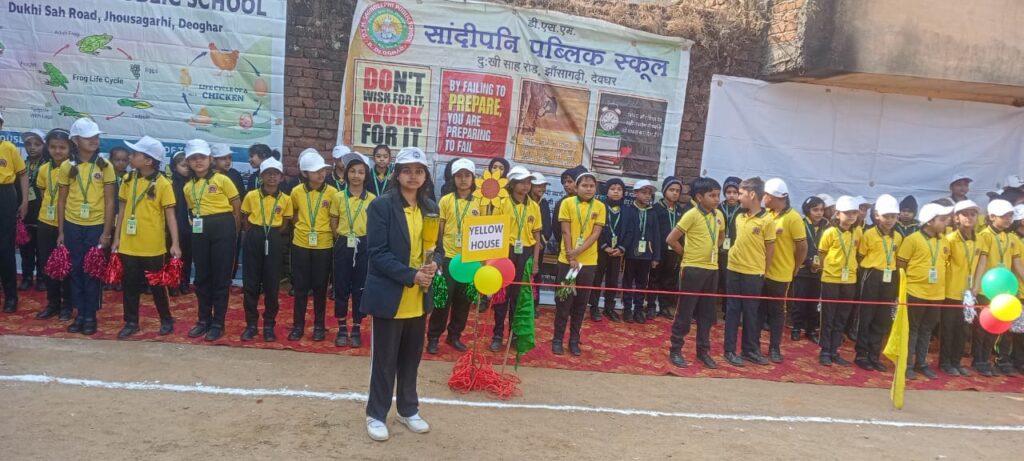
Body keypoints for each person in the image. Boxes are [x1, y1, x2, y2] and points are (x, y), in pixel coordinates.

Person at [363, 146, 438, 442]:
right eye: (407, 171)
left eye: (419, 171)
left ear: (425, 176)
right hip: (390, 297)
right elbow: (377, 253)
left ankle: (408, 410)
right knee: (384, 362)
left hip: (419, 299)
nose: (413, 176)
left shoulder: (430, 207)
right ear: (397, 174)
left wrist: (434, 264)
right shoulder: (381, 206)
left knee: (410, 360)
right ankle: (376, 414)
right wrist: (411, 275)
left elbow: (437, 248)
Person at [111, 136, 180, 338]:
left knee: (157, 284)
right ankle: (131, 321)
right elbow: (122, 209)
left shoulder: (163, 184)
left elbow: (170, 215)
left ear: (149, 160)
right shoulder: (128, 179)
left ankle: (166, 319)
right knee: (130, 285)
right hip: (128, 243)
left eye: (135, 154)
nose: (130, 156)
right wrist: (117, 238)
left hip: (152, 245)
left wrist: (175, 243)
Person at [54, 118, 114, 332]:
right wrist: (61, 231)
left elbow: (110, 201)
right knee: (76, 269)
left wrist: (106, 233)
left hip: (96, 225)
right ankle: (79, 313)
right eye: (88, 137)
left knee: (92, 271)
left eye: (96, 136)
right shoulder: (67, 167)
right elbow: (61, 200)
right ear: (76, 141)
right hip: (72, 225)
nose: (94, 140)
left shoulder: (105, 165)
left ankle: (90, 316)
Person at [182, 139, 240, 341]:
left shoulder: (222, 180)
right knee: (202, 277)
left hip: (223, 227)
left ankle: (218, 323)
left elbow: (236, 205)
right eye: (193, 158)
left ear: (210, 159)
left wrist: (234, 231)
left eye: (202, 157)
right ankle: (203, 320)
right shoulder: (188, 187)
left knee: (221, 277)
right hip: (200, 229)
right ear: (188, 162)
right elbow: (192, 210)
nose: (198, 161)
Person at [666, 177, 723, 369]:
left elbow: (721, 236)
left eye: (718, 195)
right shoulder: (691, 215)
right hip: (692, 269)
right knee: (685, 312)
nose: (717, 199)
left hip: (712, 269)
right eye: (712, 195)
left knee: (707, 314)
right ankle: (676, 349)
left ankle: (703, 351)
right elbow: (671, 239)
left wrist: (712, 250)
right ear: (699, 197)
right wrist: (687, 254)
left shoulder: (719, 215)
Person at [722, 177, 775, 367]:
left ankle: (750, 349)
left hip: (754, 272)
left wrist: (764, 271)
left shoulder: (767, 220)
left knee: (751, 312)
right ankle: (729, 350)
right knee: (732, 310)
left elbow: (770, 249)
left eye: (741, 194)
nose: (738, 197)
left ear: (752, 195)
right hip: (734, 269)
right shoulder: (739, 216)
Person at [427, 158, 477, 355]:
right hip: (447, 257)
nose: (463, 179)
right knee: (442, 300)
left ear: (473, 178)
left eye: (467, 175)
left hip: (468, 260)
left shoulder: (481, 203)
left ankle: (454, 335)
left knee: (463, 301)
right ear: (453, 178)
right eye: (459, 176)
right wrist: (437, 256)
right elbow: (439, 230)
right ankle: (433, 337)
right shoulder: (446, 200)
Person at [897, 202, 953, 380]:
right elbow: (901, 264)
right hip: (915, 291)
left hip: (937, 293)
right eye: (942, 219)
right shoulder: (912, 239)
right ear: (929, 221)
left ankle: (921, 363)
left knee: (927, 330)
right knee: (912, 329)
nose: (946, 222)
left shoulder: (944, 241)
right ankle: (906, 364)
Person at [490, 166, 542, 352]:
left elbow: (536, 236)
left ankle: (514, 335)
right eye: (521, 182)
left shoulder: (534, 206)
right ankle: (497, 335)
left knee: (519, 298)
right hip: (505, 252)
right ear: (512, 184)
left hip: (525, 253)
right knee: (502, 296)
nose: (526, 186)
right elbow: (494, 231)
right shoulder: (502, 203)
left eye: (528, 182)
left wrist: (535, 261)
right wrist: (493, 259)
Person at [239, 158, 292, 342]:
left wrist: (271, 234)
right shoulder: (251, 196)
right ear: (261, 176)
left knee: (271, 284)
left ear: (281, 177)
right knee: (251, 284)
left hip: (274, 237)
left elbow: (285, 223)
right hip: (254, 235)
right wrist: (256, 232)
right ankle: (251, 325)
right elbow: (245, 218)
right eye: (268, 174)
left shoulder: (285, 199)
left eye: (275, 174)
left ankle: (269, 325)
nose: (272, 177)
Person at [288, 149, 338, 342]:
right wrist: (303, 228)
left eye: (322, 170)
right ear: (305, 173)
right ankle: (298, 325)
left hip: (324, 245)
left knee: (320, 287)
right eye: (316, 171)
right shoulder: (296, 192)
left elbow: (334, 218)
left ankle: (319, 326)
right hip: (301, 243)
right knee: (300, 287)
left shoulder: (333, 193)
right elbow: (293, 214)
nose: (321, 174)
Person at [553, 171, 605, 356]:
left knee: (581, 303)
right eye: (584, 185)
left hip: (588, 263)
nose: (588, 189)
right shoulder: (567, 203)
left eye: (592, 186)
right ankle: (557, 339)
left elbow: (595, 234)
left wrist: (578, 252)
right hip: (568, 262)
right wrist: (572, 257)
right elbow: (565, 232)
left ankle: (574, 340)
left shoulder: (600, 206)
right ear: (576, 187)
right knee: (564, 301)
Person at [759, 178, 807, 363]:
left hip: (780, 273)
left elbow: (802, 247)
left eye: (765, 195)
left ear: (774, 197)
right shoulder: (766, 214)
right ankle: (753, 346)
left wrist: (795, 267)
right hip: (761, 271)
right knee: (758, 310)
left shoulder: (793, 218)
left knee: (777, 312)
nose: (763, 197)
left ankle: (774, 348)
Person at [330, 152, 375, 348]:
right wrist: (341, 238)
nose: (356, 176)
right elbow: (333, 221)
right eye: (353, 171)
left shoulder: (372, 199)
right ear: (347, 174)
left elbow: (374, 225)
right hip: (343, 244)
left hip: (364, 245)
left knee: (360, 288)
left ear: (366, 176)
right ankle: (341, 328)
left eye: (361, 172)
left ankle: (356, 327)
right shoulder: (338, 197)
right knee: (341, 286)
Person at [854, 194, 902, 371]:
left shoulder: (898, 237)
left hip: (890, 276)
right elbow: (860, 256)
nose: (890, 220)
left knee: (882, 318)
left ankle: (874, 355)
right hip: (871, 275)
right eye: (886, 216)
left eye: (893, 216)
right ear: (876, 216)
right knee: (866, 316)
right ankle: (861, 354)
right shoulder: (869, 234)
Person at [971, 199, 1019, 376]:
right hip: (986, 288)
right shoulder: (984, 235)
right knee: (981, 326)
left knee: (996, 326)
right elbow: (982, 262)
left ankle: (987, 359)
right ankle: (978, 359)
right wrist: (976, 285)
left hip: (1003, 290)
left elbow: (1016, 264)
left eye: (1010, 216)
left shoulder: (1011, 237)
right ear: (991, 217)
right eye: (1004, 216)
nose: (1008, 219)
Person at [33, 129, 74, 320]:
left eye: (62, 147)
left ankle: (67, 305)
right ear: (47, 148)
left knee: (66, 265)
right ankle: (53, 303)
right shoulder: (43, 169)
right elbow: (44, 195)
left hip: (67, 222)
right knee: (47, 264)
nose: (57, 151)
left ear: (70, 148)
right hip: (45, 221)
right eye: (53, 147)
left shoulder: (73, 169)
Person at [817, 196, 861, 367]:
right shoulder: (830, 232)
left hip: (850, 279)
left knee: (842, 317)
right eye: (847, 213)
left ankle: (834, 350)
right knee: (828, 316)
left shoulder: (857, 232)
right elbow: (822, 253)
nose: (851, 216)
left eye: (854, 213)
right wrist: (828, 269)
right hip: (831, 278)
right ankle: (824, 351)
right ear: (837, 214)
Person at [940, 200, 980, 377]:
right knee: (948, 329)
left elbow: (980, 263)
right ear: (956, 218)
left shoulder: (979, 239)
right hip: (951, 290)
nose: (969, 218)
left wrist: (976, 286)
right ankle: (945, 362)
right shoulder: (950, 239)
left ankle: (956, 362)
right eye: (965, 214)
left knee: (963, 330)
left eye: (973, 214)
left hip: (968, 293)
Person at [0, 112, 31, 313]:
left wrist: (25, 201)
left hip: (5, 195)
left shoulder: (9, 148)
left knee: (5, 248)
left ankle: (11, 296)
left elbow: (22, 174)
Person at [647, 176, 686, 318]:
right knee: (654, 278)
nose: (675, 193)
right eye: (671, 190)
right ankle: (651, 306)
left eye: (677, 191)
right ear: (664, 191)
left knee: (669, 279)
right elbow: (652, 232)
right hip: (659, 250)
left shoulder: (680, 211)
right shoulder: (656, 209)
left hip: (674, 250)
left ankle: (664, 306)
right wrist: (653, 252)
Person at [622, 180, 660, 323]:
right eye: (644, 192)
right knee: (627, 281)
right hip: (630, 253)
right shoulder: (628, 210)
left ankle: (638, 310)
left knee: (642, 283)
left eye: (649, 193)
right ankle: (627, 309)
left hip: (646, 254)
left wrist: (655, 256)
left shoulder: (652, 213)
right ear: (635, 193)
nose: (647, 196)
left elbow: (656, 235)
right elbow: (624, 231)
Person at [589, 178, 627, 322]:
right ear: (607, 191)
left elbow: (630, 231)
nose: (616, 192)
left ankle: (609, 308)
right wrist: (605, 246)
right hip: (601, 250)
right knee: (597, 278)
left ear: (623, 193)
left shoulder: (626, 210)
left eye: (619, 189)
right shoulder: (600, 207)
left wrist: (621, 248)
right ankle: (594, 307)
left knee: (613, 280)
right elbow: (594, 229)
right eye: (612, 189)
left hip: (617, 252)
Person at [791, 196, 826, 343]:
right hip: (803, 269)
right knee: (800, 301)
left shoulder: (827, 226)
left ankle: (811, 330)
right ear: (807, 210)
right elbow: (796, 246)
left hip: (819, 270)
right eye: (815, 210)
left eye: (821, 210)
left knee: (814, 303)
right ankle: (796, 328)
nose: (819, 213)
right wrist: (808, 261)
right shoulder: (801, 224)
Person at [18, 129, 46, 292]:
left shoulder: (48, 166)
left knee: (42, 248)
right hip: (25, 213)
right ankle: (27, 277)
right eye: (28, 144)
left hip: (42, 214)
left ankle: (42, 277)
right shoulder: (21, 165)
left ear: (44, 146)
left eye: (37, 144)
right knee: (26, 247)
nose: (32, 147)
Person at [169, 152, 193, 296]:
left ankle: (184, 282)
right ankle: (173, 282)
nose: (187, 168)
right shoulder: (170, 183)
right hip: (174, 224)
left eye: (188, 165)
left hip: (190, 225)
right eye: (183, 165)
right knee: (172, 254)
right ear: (174, 166)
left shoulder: (194, 182)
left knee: (187, 255)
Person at [529, 172, 551, 315]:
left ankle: (534, 303)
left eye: (543, 186)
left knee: (536, 274)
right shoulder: (525, 202)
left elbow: (547, 225)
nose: (541, 189)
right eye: (538, 186)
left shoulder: (544, 203)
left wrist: (542, 241)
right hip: (524, 245)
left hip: (539, 246)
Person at [717, 176, 742, 295]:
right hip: (719, 250)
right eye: (728, 192)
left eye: (735, 192)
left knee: (730, 284)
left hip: (736, 252)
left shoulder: (744, 209)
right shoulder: (718, 208)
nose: (731, 195)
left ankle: (727, 306)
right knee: (717, 281)